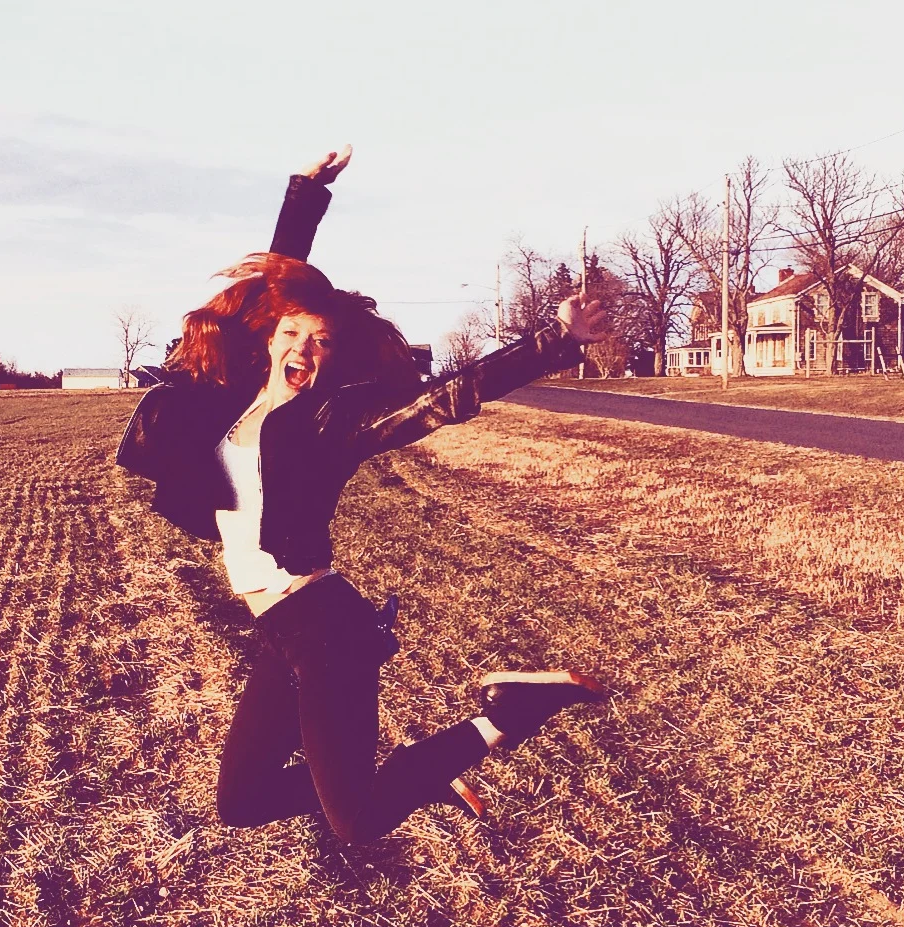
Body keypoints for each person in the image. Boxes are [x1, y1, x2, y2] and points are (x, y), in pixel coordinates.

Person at [116, 145, 609, 846]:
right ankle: (418, 776)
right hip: (278, 634)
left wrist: (553, 340)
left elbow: (446, 398)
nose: (304, 348)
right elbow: (271, 288)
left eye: (321, 342)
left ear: (332, 358)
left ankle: (507, 713)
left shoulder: (334, 424)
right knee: (242, 803)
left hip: (324, 630)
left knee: (359, 821)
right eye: (294, 334)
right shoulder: (231, 404)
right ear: (270, 339)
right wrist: (304, 198)